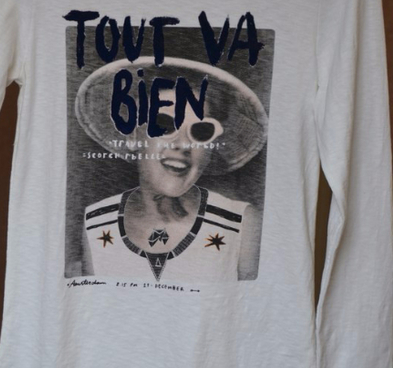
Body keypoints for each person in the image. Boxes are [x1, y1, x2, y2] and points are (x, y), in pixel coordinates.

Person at [72, 56, 268, 283]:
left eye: (201, 131)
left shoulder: (241, 225)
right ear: (134, 136)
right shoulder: (96, 223)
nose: (183, 144)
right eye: (163, 125)